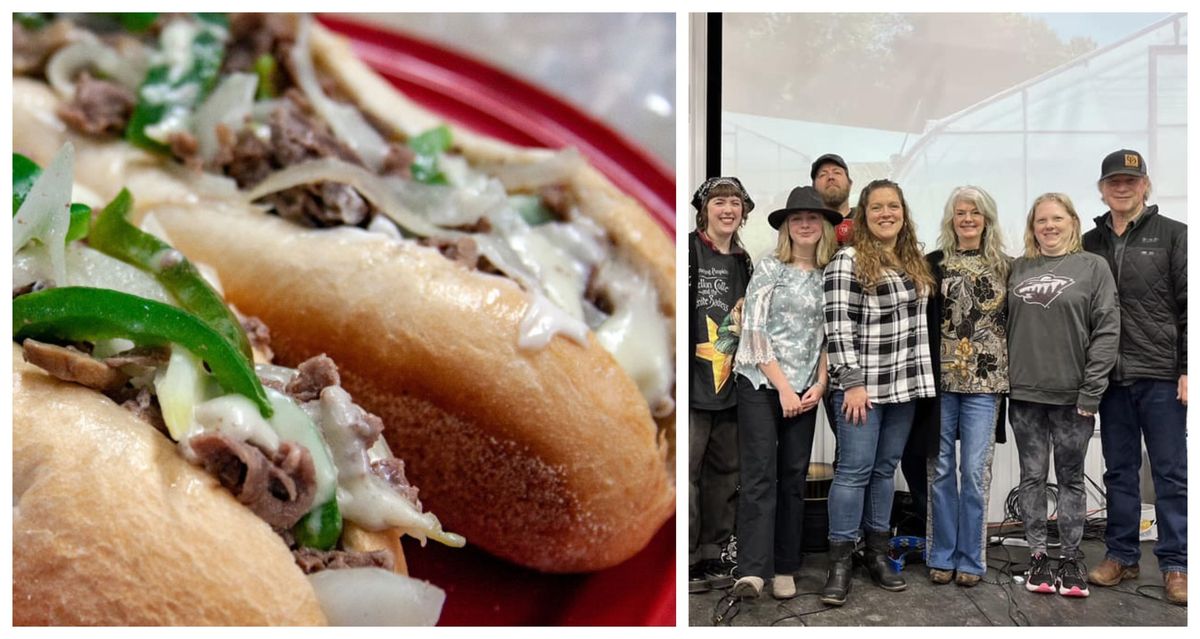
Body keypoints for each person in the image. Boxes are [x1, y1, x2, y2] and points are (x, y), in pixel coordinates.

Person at [820, 179, 936, 605]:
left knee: (886, 471)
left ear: (903, 212)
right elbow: (838, 325)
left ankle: (877, 553)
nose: (886, 213)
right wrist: (851, 383)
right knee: (854, 471)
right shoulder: (847, 261)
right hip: (861, 390)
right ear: (863, 215)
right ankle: (839, 561)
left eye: (894, 206)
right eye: (877, 208)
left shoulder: (913, 262)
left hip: (903, 387)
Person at [1082, 149, 1187, 605]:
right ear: (1102, 189)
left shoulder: (1174, 236)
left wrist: (1187, 368)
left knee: (1170, 473)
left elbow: (1190, 305)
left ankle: (1176, 565)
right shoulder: (1088, 242)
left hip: (1161, 374)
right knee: (1119, 471)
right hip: (1110, 379)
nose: (1122, 188)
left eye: (1130, 180)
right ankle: (1121, 556)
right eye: (1113, 182)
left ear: (1145, 184)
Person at [728, 186, 841, 600]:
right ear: (787, 227)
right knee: (760, 475)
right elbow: (754, 333)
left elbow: (831, 337)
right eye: (797, 219)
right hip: (762, 382)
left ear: (824, 226)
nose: (805, 224)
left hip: (807, 389)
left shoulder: (832, 273)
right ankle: (753, 570)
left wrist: (819, 384)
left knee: (793, 477)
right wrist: (784, 389)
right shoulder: (771, 267)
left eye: (813, 218)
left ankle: (785, 567)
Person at [1007, 193, 1119, 598]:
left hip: (1075, 398)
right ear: (1032, 226)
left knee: (1071, 479)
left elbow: (1107, 330)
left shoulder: (1093, 267)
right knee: (1032, 478)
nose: (1049, 226)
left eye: (1057, 218)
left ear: (1072, 221)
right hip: (1025, 396)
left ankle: (1071, 559)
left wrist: (1092, 391)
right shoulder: (1017, 268)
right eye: (1041, 220)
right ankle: (1038, 556)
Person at [924, 186, 1011, 588]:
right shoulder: (932, 264)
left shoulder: (1008, 267)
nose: (968, 219)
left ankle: (971, 561)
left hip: (985, 384)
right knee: (940, 470)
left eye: (975, 213)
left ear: (987, 219)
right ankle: (941, 555)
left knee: (974, 473)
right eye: (960, 213)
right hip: (940, 384)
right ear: (951, 219)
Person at [688, 177, 754, 593]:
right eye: (719, 202)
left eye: (735, 203)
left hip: (731, 382)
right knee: (688, 471)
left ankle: (713, 553)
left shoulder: (746, 262)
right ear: (704, 209)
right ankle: (687, 556)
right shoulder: (687, 250)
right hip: (692, 382)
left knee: (725, 472)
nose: (727, 209)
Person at [811, 153, 853, 218]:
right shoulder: (807, 225)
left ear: (850, 183)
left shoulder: (868, 222)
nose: (831, 177)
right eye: (823, 174)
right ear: (813, 188)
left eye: (837, 172)